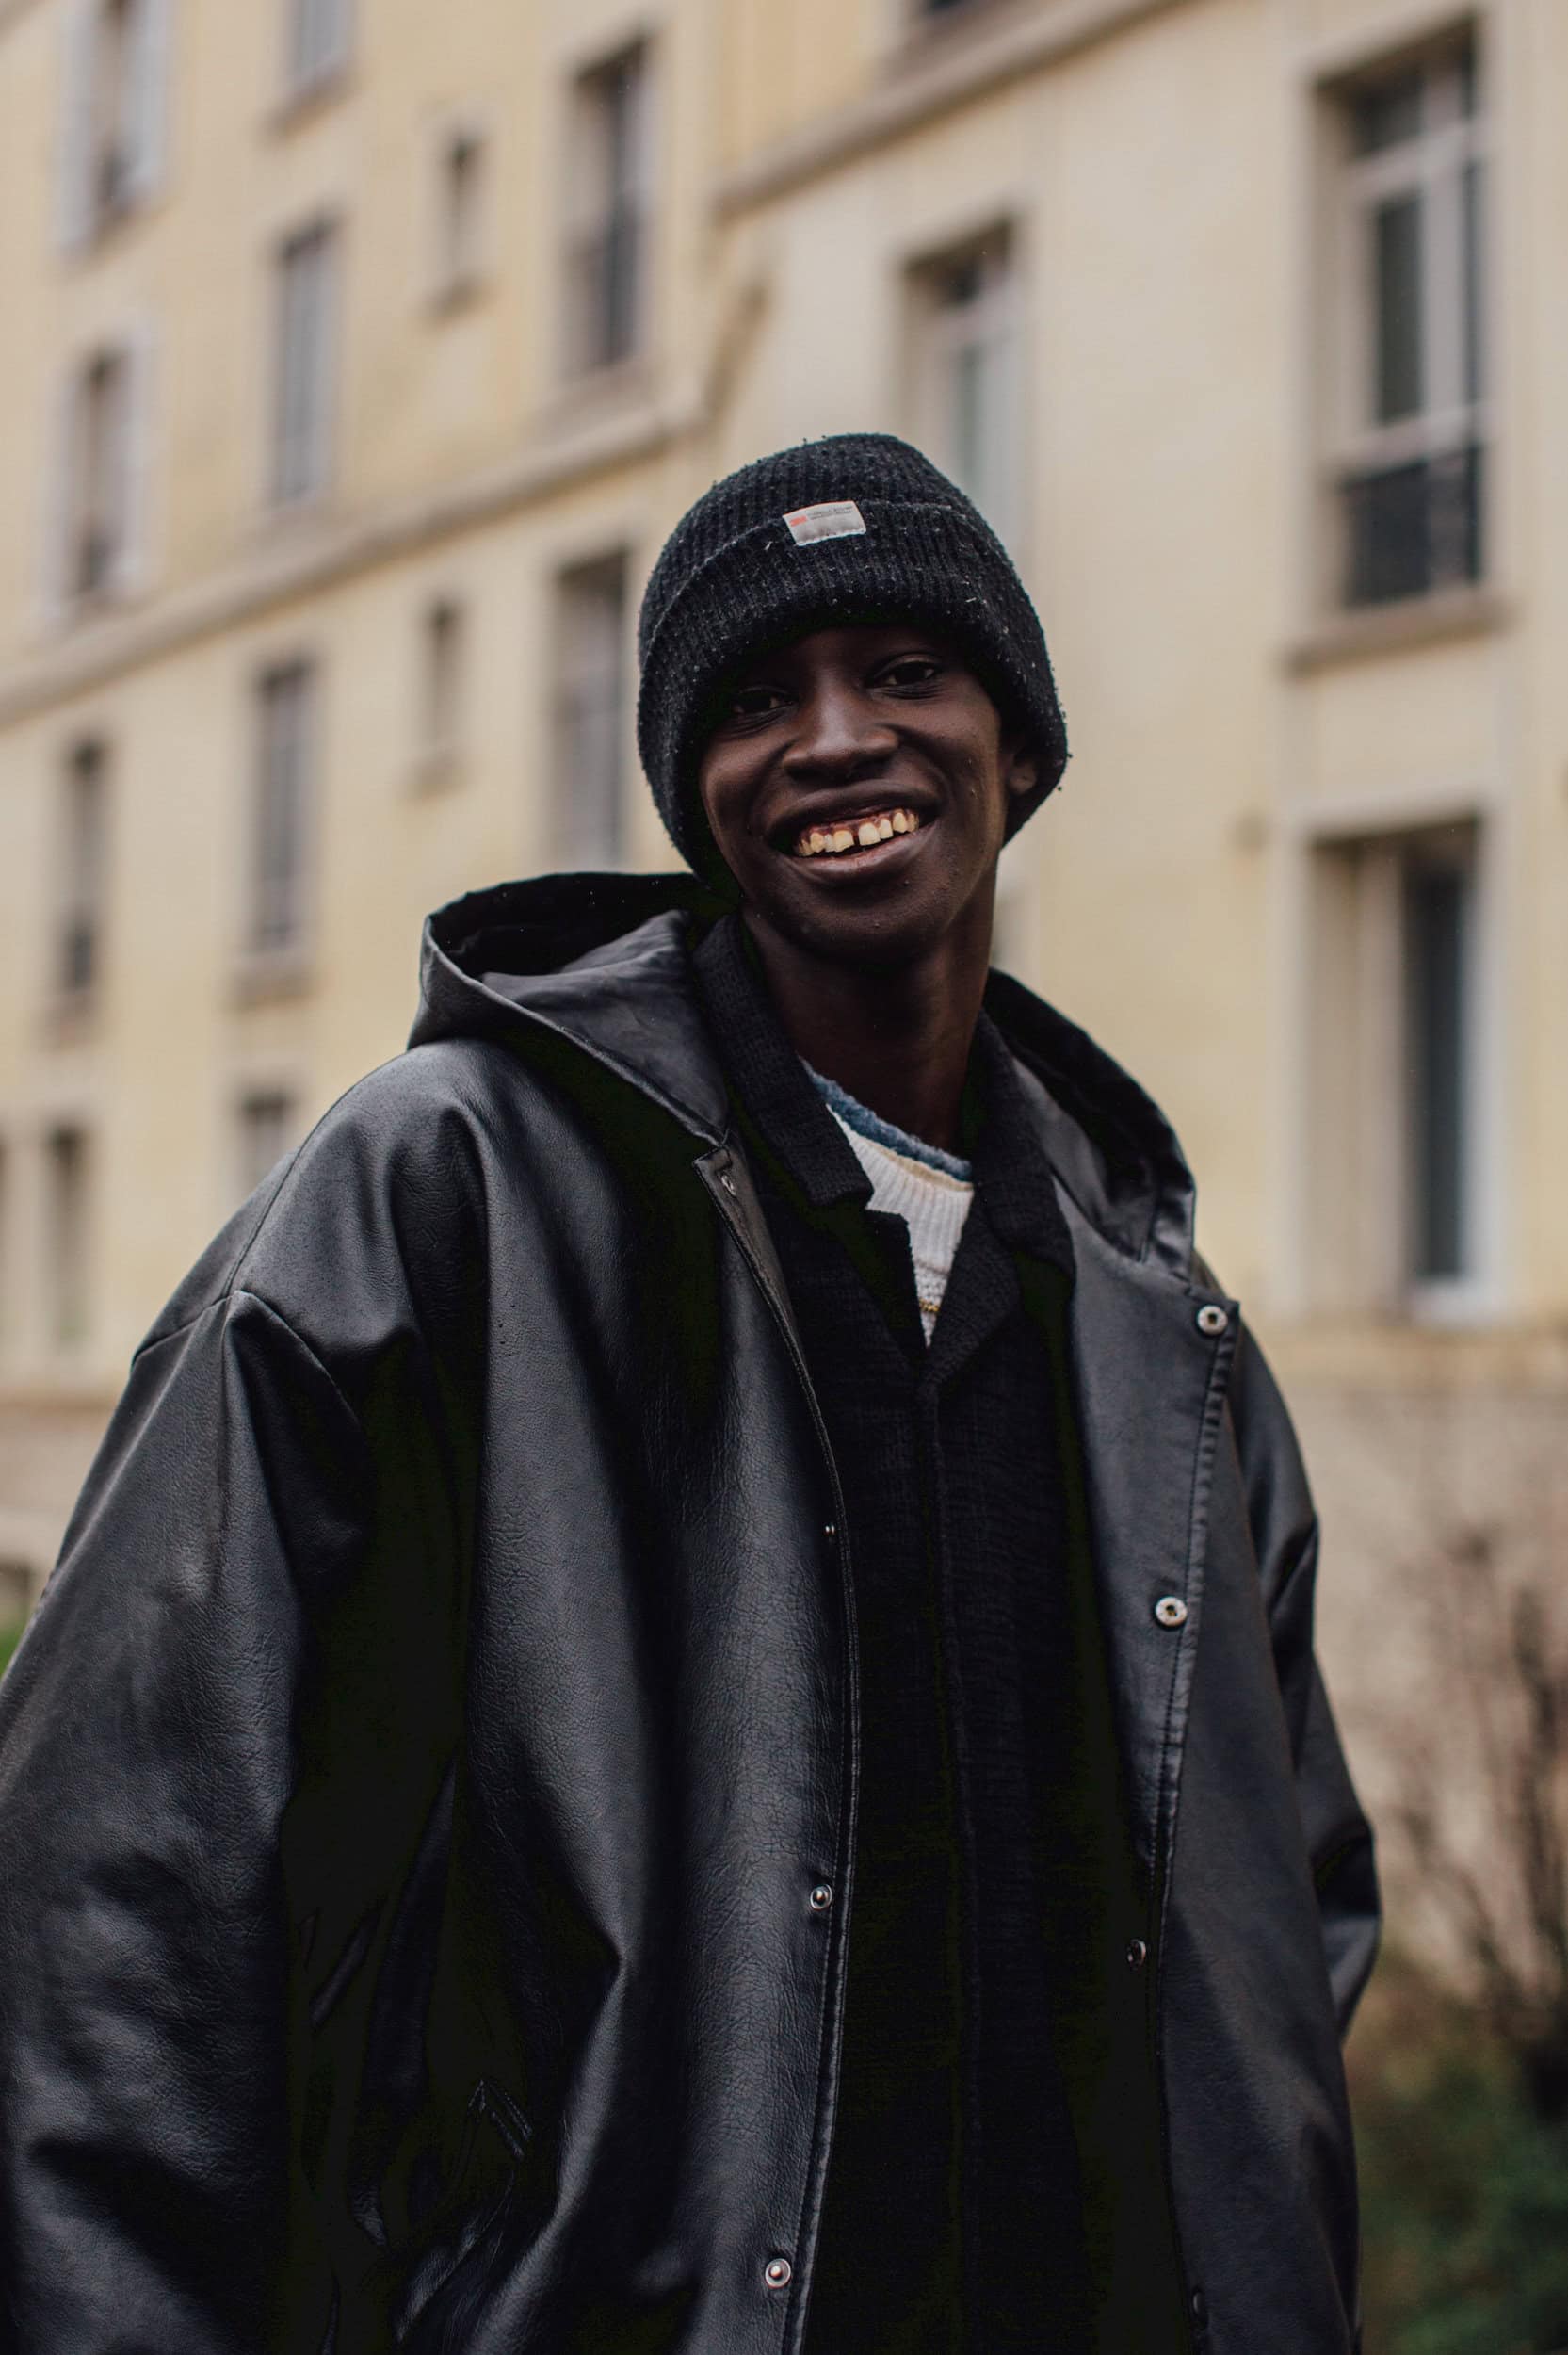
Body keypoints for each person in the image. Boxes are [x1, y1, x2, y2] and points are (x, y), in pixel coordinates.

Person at [0, 433, 1378, 2354]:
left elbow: (1287, 1908)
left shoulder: (1158, 1320)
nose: (835, 739)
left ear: (1020, 747)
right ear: (692, 798)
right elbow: (114, 1901)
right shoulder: (442, 1194)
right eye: (752, 701)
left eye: (906, 671)